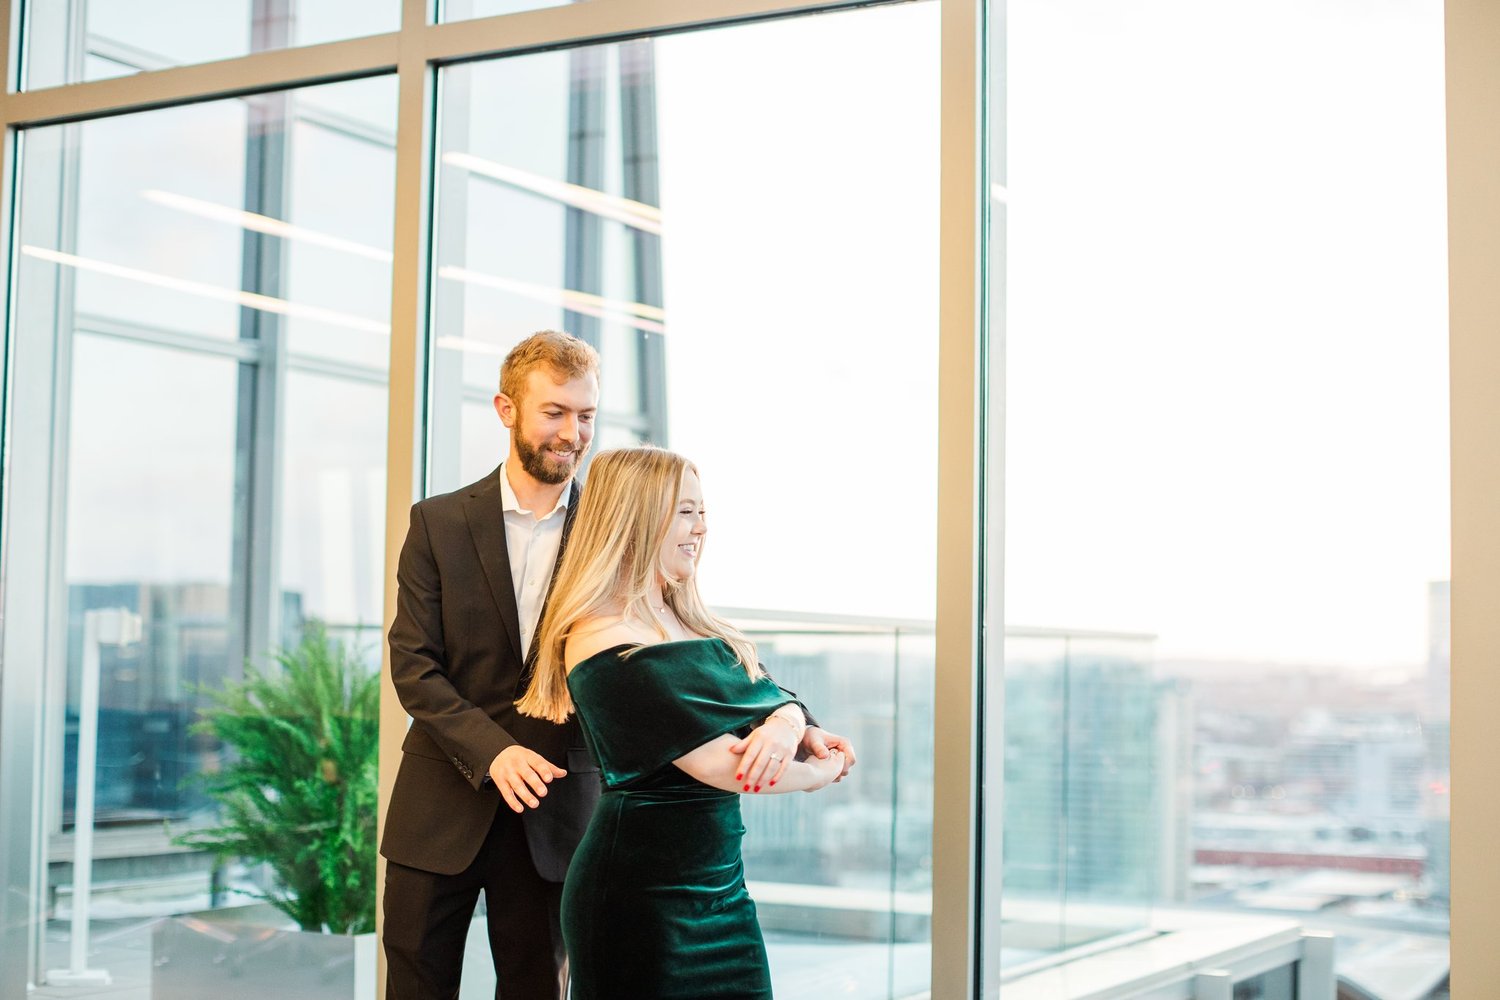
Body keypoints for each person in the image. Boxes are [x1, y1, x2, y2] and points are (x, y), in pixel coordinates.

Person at [382, 332, 852, 1000]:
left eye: (586, 416)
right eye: (555, 412)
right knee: (415, 986)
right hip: (444, 800)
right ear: (506, 410)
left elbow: (709, 660)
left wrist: (790, 717)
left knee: (538, 989)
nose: (573, 432)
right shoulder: (437, 522)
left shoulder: (622, 530)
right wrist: (495, 753)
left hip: (561, 812)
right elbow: (414, 666)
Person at [518, 447, 855, 1000]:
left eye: (703, 512)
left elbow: (768, 694)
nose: (702, 527)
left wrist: (789, 725)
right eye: (686, 511)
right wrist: (819, 771)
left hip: (722, 892)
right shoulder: (604, 639)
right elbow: (724, 765)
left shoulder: (689, 620)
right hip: (641, 903)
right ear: (637, 515)